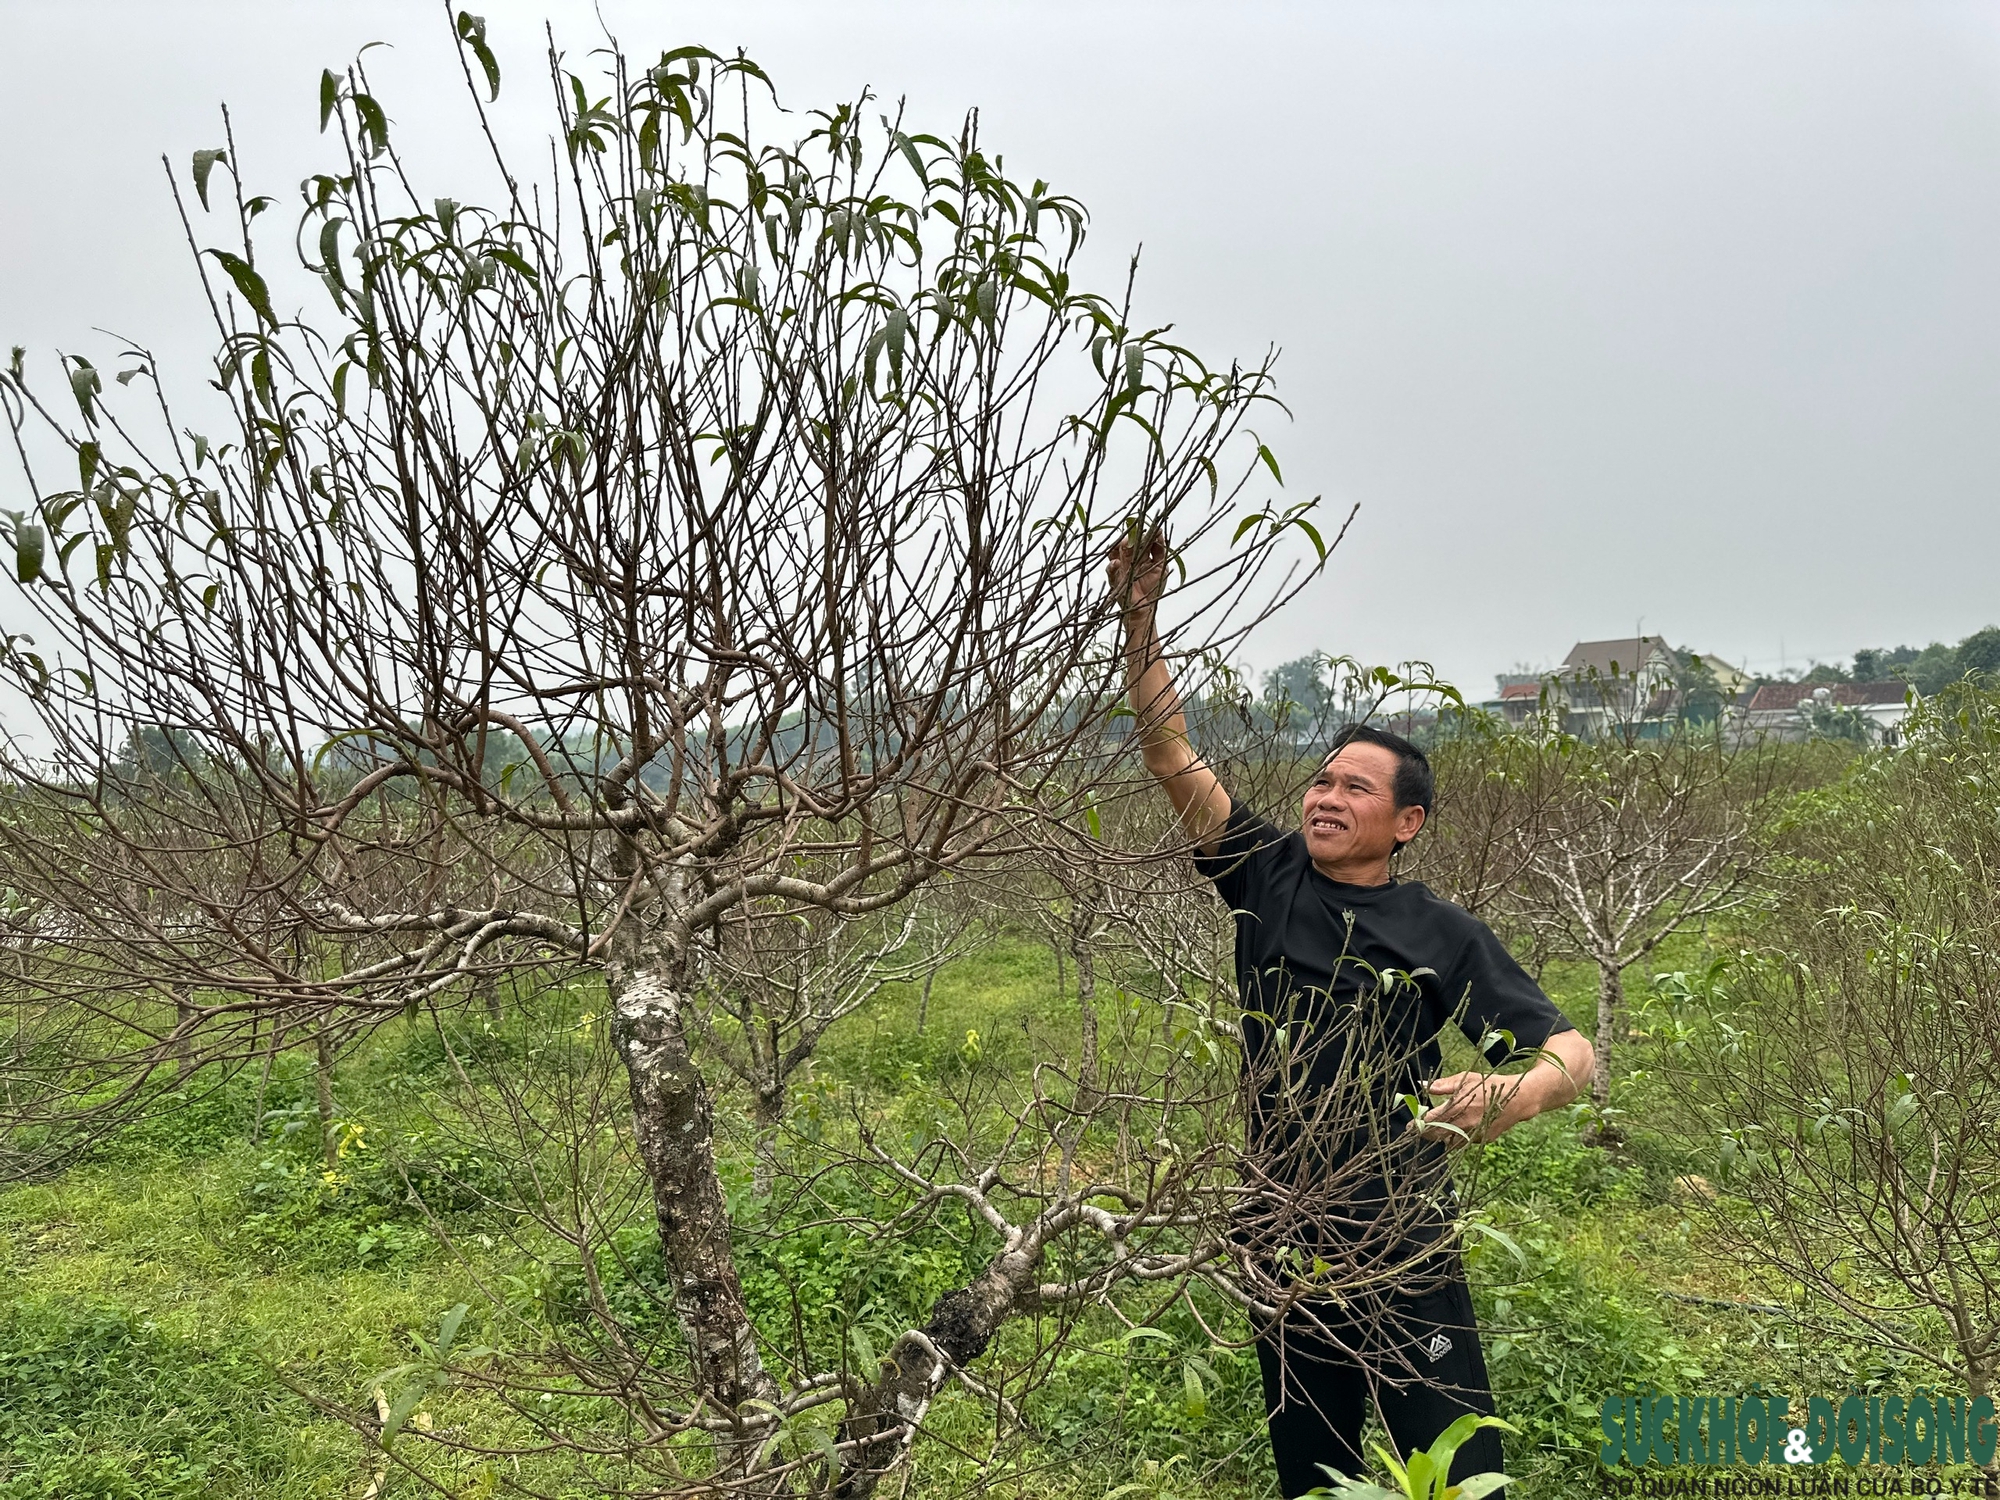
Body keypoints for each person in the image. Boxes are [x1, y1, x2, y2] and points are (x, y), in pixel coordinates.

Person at [1109, 533, 1594, 1497]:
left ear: (1406, 823)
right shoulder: (1265, 870)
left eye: (1355, 788)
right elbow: (1168, 747)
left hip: (1400, 1233)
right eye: (1322, 780)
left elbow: (1571, 1050)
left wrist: (1523, 1091)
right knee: (1316, 1472)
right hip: (1278, 1225)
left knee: (1454, 1469)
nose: (1327, 797)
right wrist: (1137, 615)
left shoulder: (1439, 933)